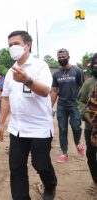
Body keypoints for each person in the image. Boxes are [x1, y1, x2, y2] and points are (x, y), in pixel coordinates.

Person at [0, 30, 57, 200]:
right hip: (17, 128)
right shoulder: (10, 72)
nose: (12, 48)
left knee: (41, 164)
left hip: (39, 128)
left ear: (28, 45)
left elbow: (45, 91)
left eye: (16, 44)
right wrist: (1, 124)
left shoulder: (40, 66)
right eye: (9, 45)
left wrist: (27, 80)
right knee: (16, 168)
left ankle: (51, 185)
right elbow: (6, 99)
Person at [51, 48, 85, 163]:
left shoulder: (77, 70)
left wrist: (82, 104)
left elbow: (82, 88)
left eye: (63, 57)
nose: (61, 59)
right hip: (62, 106)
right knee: (62, 129)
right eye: (59, 57)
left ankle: (77, 143)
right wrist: (51, 106)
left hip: (75, 105)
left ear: (68, 56)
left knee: (76, 127)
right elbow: (54, 90)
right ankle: (64, 153)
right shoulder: (56, 74)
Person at [77, 53, 97, 196]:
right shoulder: (88, 83)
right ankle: (96, 181)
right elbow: (80, 102)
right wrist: (86, 116)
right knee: (91, 155)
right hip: (91, 128)